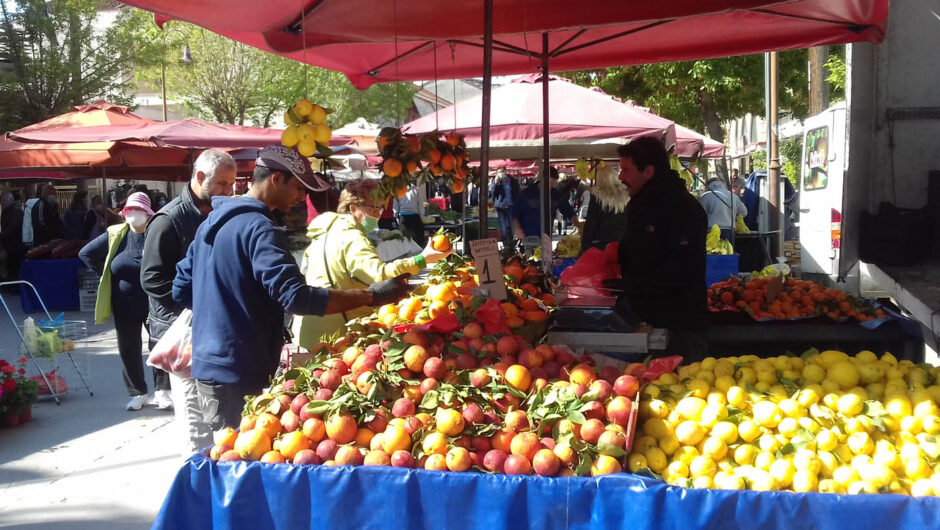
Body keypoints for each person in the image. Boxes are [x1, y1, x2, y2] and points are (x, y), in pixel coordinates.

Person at [172, 145, 412, 431]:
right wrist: (373, 296)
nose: (302, 197)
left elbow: (182, 289)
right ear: (275, 179)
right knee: (237, 460)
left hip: (212, 363)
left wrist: (229, 306)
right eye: (299, 187)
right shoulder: (259, 228)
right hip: (239, 367)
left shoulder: (210, 222)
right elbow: (296, 297)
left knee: (234, 454)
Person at [141, 149, 237, 452]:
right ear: (199, 178)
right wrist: (197, 305)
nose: (228, 191)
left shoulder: (216, 213)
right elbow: (152, 279)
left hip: (209, 333)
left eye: (231, 185)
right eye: (222, 184)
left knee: (218, 424)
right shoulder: (168, 220)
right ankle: (195, 486)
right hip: (180, 333)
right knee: (197, 428)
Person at [293, 178, 453, 347]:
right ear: (353, 208)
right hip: (334, 336)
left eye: (380, 207)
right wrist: (423, 259)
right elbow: (380, 276)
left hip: (310, 327)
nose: (378, 213)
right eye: (372, 207)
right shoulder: (351, 236)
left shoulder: (327, 231)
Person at [615, 137, 708, 361]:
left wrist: (635, 289)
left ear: (648, 171)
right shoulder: (640, 206)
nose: (620, 177)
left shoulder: (683, 209)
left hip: (680, 329)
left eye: (626, 170)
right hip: (648, 322)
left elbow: (682, 270)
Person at [79, 193, 157, 411]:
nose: (133, 214)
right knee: (128, 348)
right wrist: (105, 275)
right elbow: (86, 253)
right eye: (130, 210)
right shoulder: (116, 235)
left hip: (154, 302)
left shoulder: (157, 233)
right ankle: (137, 393)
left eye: (138, 210)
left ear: (148, 213)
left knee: (159, 346)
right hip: (124, 304)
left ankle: (164, 391)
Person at [512, 167, 580, 239]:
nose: (552, 186)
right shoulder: (527, 193)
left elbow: (568, 211)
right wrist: (518, 228)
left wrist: (577, 223)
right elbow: (515, 213)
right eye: (550, 183)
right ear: (542, 178)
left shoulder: (555, 195)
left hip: (547, 236)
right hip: (528, 236)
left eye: (554, 183)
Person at [580, 164, 630, 255]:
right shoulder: (626, 195)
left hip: (602, 245)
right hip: (624, 243)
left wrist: (584, 248)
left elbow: (591, 224)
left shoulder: (597, 197)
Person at [489, 166, 519, 243]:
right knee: (503, 226)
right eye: (499, 172)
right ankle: (505, 242)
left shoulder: (512, 180)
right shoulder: (495, 181)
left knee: (511, 225)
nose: (501, 173)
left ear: (506, 172)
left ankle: (511, 241)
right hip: (500, 207)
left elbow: (517, 192)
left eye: (502, 171)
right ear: (497, 173)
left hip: (511, 206)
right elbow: (493, 194)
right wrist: (496, 183)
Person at [1, 192, 25, 280]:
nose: (2, 202)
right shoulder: (5, 212)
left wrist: (2, 235)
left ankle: (14, 287)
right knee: (11, 267)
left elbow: (11, 228)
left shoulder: (16, 212)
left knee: (15, 267)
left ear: (11, 200)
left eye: (4, 200)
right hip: (10, 246)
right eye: (1, 200)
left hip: (16, 246)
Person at [395, 182, 427, 247]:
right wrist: (422, 217)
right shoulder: (416, 189)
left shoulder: (398, 190)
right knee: (418, 240)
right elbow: (420, 205)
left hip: (403, 217)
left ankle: (408, 255)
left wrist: (396, 216)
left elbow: (395, 205)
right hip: (415, 217)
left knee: (405, 241)